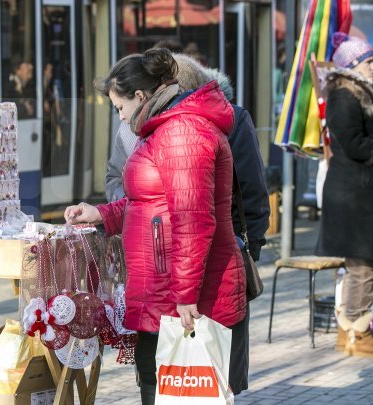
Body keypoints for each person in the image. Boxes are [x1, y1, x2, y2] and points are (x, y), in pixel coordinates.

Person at [65, 48, 247, 403]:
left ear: (140, 96)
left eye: (120, 108)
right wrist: (103, 214)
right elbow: (152, 203)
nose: (121, 119)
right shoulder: (169, 128)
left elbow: (194, 221)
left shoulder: (181, 132)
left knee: (178, 391)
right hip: (164, 289)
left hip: (184, 298)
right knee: (158, 383)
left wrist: (185, 296)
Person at [105, 52, 271, 262]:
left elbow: (251, 195)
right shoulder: (132, 127)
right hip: (158, 252)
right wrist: (132, 214)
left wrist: (246, 249)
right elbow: (115, 179)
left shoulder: (225, 123)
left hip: (216, 255)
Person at [316, 32, 373, 358]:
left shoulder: (360, 92)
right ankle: (357, 331)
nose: (372, 67)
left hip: (361, 191)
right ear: (353, 65)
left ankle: (350, 331)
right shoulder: (344, 95)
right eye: (367, 62)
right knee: (362, 267)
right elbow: (352, 144)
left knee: (362, 265)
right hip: (354, 193)